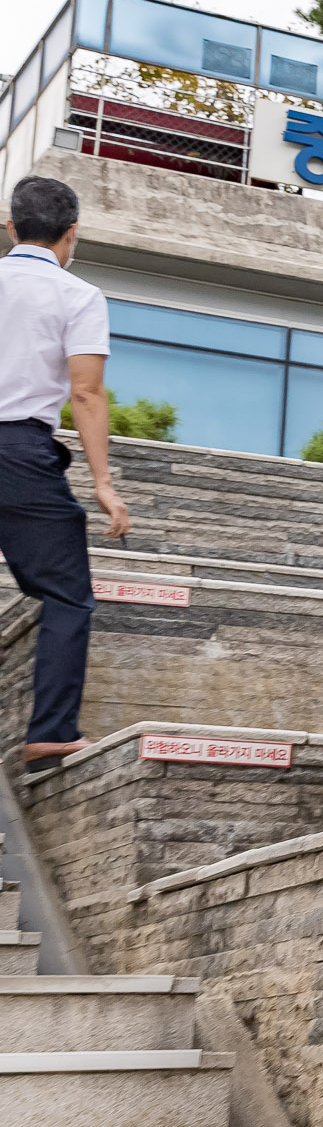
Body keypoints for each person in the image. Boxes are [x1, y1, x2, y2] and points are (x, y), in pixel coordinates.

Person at [0, 176, 131, 772]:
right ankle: (50, 732)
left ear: (10, 227)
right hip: (20, 453)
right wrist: (103, 483)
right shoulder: (79, 295)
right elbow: (86, 392)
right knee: (66, 594)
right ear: (71, 234)